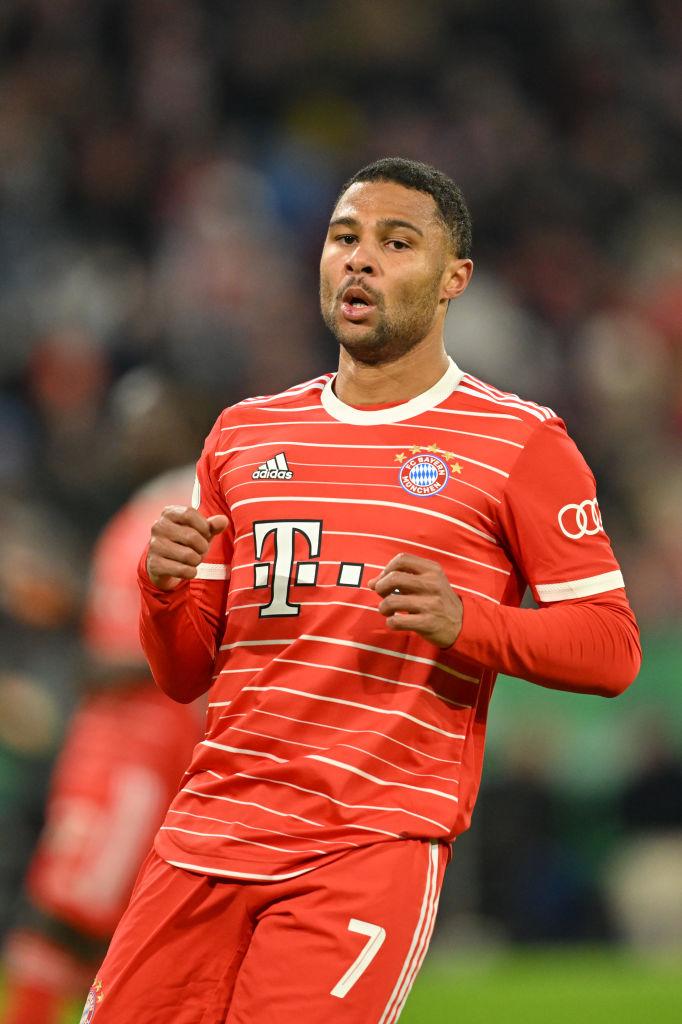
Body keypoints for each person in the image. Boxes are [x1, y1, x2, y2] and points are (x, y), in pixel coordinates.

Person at [83, 157, 641, 1024]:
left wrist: (471, 622)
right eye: (344, 237)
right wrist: (163, 593)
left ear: (454, 278)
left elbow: (611, 649)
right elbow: (186, 673)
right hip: (203, 839)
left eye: (397, 241)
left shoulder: (520, 443)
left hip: (364, 847)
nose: (361, 257)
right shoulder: (244, 435)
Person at [1, 467, 202, 1024]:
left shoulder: (164, 506)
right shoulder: (166, 510)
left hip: (143, 752)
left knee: (111, 922)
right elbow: (109, 655)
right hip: (126, 752)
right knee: (69, 914)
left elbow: (103, 657)